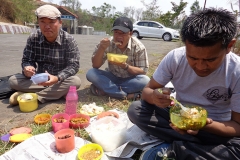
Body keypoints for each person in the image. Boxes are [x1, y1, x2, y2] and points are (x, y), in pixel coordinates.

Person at [127, 8, 240, 160]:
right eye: (192, 58)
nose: (200, 67)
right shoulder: (175, 58)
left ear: (229, 46)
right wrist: (155, 97)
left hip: (216, 128)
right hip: (177, 118)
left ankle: (176, 149)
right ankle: (200, 150)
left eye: (210, 60)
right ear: (185, 45)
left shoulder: (236, 71)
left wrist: (202, 126)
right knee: (136, 110)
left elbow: (237, 126)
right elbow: (148, 90)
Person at [8, 4, 81, 105]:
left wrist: (56, 78)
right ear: (38, 22)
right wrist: (28, 68)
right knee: (13, 81)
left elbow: (74, 66)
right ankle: (57, 93)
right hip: (40, 80)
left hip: (60, 80)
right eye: (43, 22)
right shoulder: (34, 38)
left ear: (60, 22)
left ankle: (33, 97)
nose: (47, 27)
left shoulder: (69, 40)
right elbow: (27, 59)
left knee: (75, 81)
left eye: (51, 22)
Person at [86, 17, 150, 100]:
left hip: (130, 80)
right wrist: (101, 48)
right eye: (116, 32)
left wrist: (126, 66)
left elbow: (142, 71)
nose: (119, 36)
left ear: (130, 34)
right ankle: (125, 95)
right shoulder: (107, 43)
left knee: (145, 80)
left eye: (123, 33)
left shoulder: (138, 47)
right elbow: (95, 65)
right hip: (112, 76)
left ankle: (106, 90)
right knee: (91, 73)